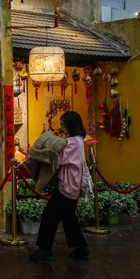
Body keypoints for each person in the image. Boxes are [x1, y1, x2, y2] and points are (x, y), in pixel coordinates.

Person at [30, 111, 89, 261]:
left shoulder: (71, 143)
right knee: (68, 217)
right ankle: (81, 246)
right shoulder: (78, 140)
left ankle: (45, 248)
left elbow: (58, 159)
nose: (62, 128)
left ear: (71, 125)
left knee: (50, 215)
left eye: (63, 125)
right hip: (73, 185)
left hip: (67, 186)